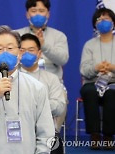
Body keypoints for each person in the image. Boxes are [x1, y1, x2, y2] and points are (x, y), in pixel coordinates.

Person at [0, 25, 55, 154]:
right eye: (0, 49)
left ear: (20, 54)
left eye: (10, 48)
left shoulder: (36, 87)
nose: (5, 53)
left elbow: (46, 132)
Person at [17, 0, 69, 137]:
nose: (38, 14)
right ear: (27, 14)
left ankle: (52, 135)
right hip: (22, 80)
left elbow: (63, 59)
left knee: (61, 99)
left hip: (51, 84)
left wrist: (44, 46)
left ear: (48, 14)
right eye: (34, 11)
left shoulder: (59, 36)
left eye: (41, 11)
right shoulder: (16, 35)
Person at [19, 33, 66, 153]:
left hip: (44, 128)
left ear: (39, 54)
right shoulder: (10, 78)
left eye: (31, 50)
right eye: (22, 50)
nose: (26, 54)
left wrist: (37, 104)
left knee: (55, 145)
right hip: (17, 129)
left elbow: (60, 107)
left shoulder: (51, 78)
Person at [80, 8, 115, 150]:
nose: (103, 22)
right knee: (89, 91)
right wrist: (96, 68)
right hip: (93, 82)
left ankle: (108, 135)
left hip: (113, 83)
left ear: (113, 23)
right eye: (99, 19)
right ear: (95, 24)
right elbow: (83, 70)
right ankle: (94, 135)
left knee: (111, 93)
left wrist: (112, 68)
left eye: (106, 19)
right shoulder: (89, 45)